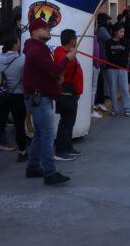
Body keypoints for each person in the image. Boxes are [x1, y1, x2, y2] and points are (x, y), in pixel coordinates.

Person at [22, 18, 72, 186]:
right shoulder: (37, 50)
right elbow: (54, 69)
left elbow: (45, 72)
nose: (48, 30)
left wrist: (55, 78)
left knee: (40, 133)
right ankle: (50, 172)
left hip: (39, 96)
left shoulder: (37, 49)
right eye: (44, 28)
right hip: (39, 97)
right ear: (34, 31)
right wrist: (67, 59)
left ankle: (33, 166)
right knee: (48, 134)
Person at [0, 36, 27, 171]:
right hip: (17, 95)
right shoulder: (22, 59)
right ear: (15, 45)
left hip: (0, 95)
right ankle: (22, 152)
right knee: (19, 125)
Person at [53, 29, 83, 161]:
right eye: (75, 38)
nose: (76, 41)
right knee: (66, 121)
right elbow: (64, 71)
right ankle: (60, 150)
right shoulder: (62, 55)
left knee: (70, 121)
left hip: (71, 90)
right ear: (71, 41)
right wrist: (71, 58)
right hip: (66, 90)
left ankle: (68, 146)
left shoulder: (66, 54)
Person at [106, 24, 130, 116]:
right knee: (112, 89)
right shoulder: (109, 42)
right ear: (115, 32)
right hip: (111, 68)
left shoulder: (125, 42)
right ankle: (114, 108)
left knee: (124, 88)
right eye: (121, 31)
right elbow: (109, 55)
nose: (122, 33)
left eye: (123, 31)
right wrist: (117, 55)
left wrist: (116, 54)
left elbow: (125, 54)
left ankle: (127, 108)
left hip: (122, 68)